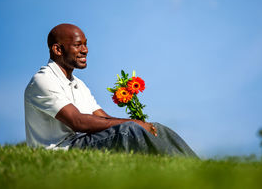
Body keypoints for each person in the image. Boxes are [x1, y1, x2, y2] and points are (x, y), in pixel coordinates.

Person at [24, 23, 197, 157]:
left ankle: (197, 169)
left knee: (155, 127)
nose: (85, 50)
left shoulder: (78, 84)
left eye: (85, 44)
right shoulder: (43, 80)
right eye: (78, 45)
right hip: (62, 151)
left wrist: (139, 123)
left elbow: (102, 117)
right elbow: (78, 122)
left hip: (82, 142)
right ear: (57, 49)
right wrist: (133, 124)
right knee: (130, 130)